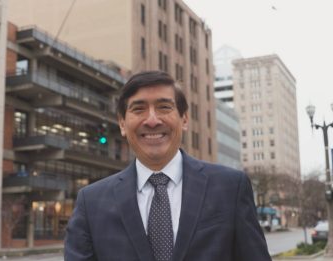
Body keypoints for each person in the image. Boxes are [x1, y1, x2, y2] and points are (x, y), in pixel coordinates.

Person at [64, 71, 271, 261]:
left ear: (184, 119)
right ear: (122, 124)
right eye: (139, 109)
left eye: (164, 107)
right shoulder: (90, 203)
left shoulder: (230, 188)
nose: (152, 120)